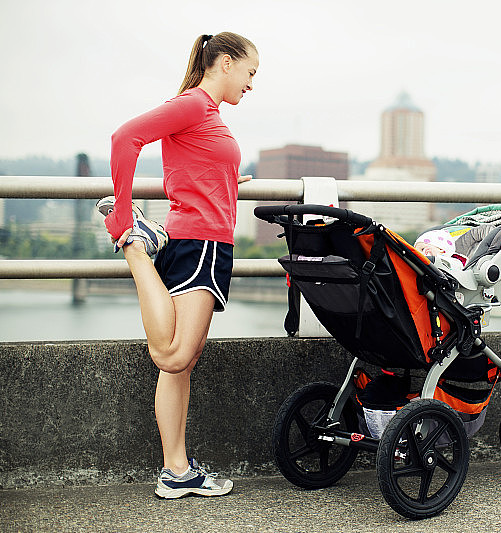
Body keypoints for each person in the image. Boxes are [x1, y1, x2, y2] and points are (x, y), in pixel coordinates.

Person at [96, 32, 258, 499]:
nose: (251, 84)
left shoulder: (207, 115)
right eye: (250, 73)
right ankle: (134, 242)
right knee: (173, 355)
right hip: (200, 244)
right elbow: (125, 137)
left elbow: (192, 168)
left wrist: (229, 177)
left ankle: (176, 470)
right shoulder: (194, 104)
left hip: (203, 240)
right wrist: (123, 211)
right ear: (224, 63)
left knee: (179, 369)